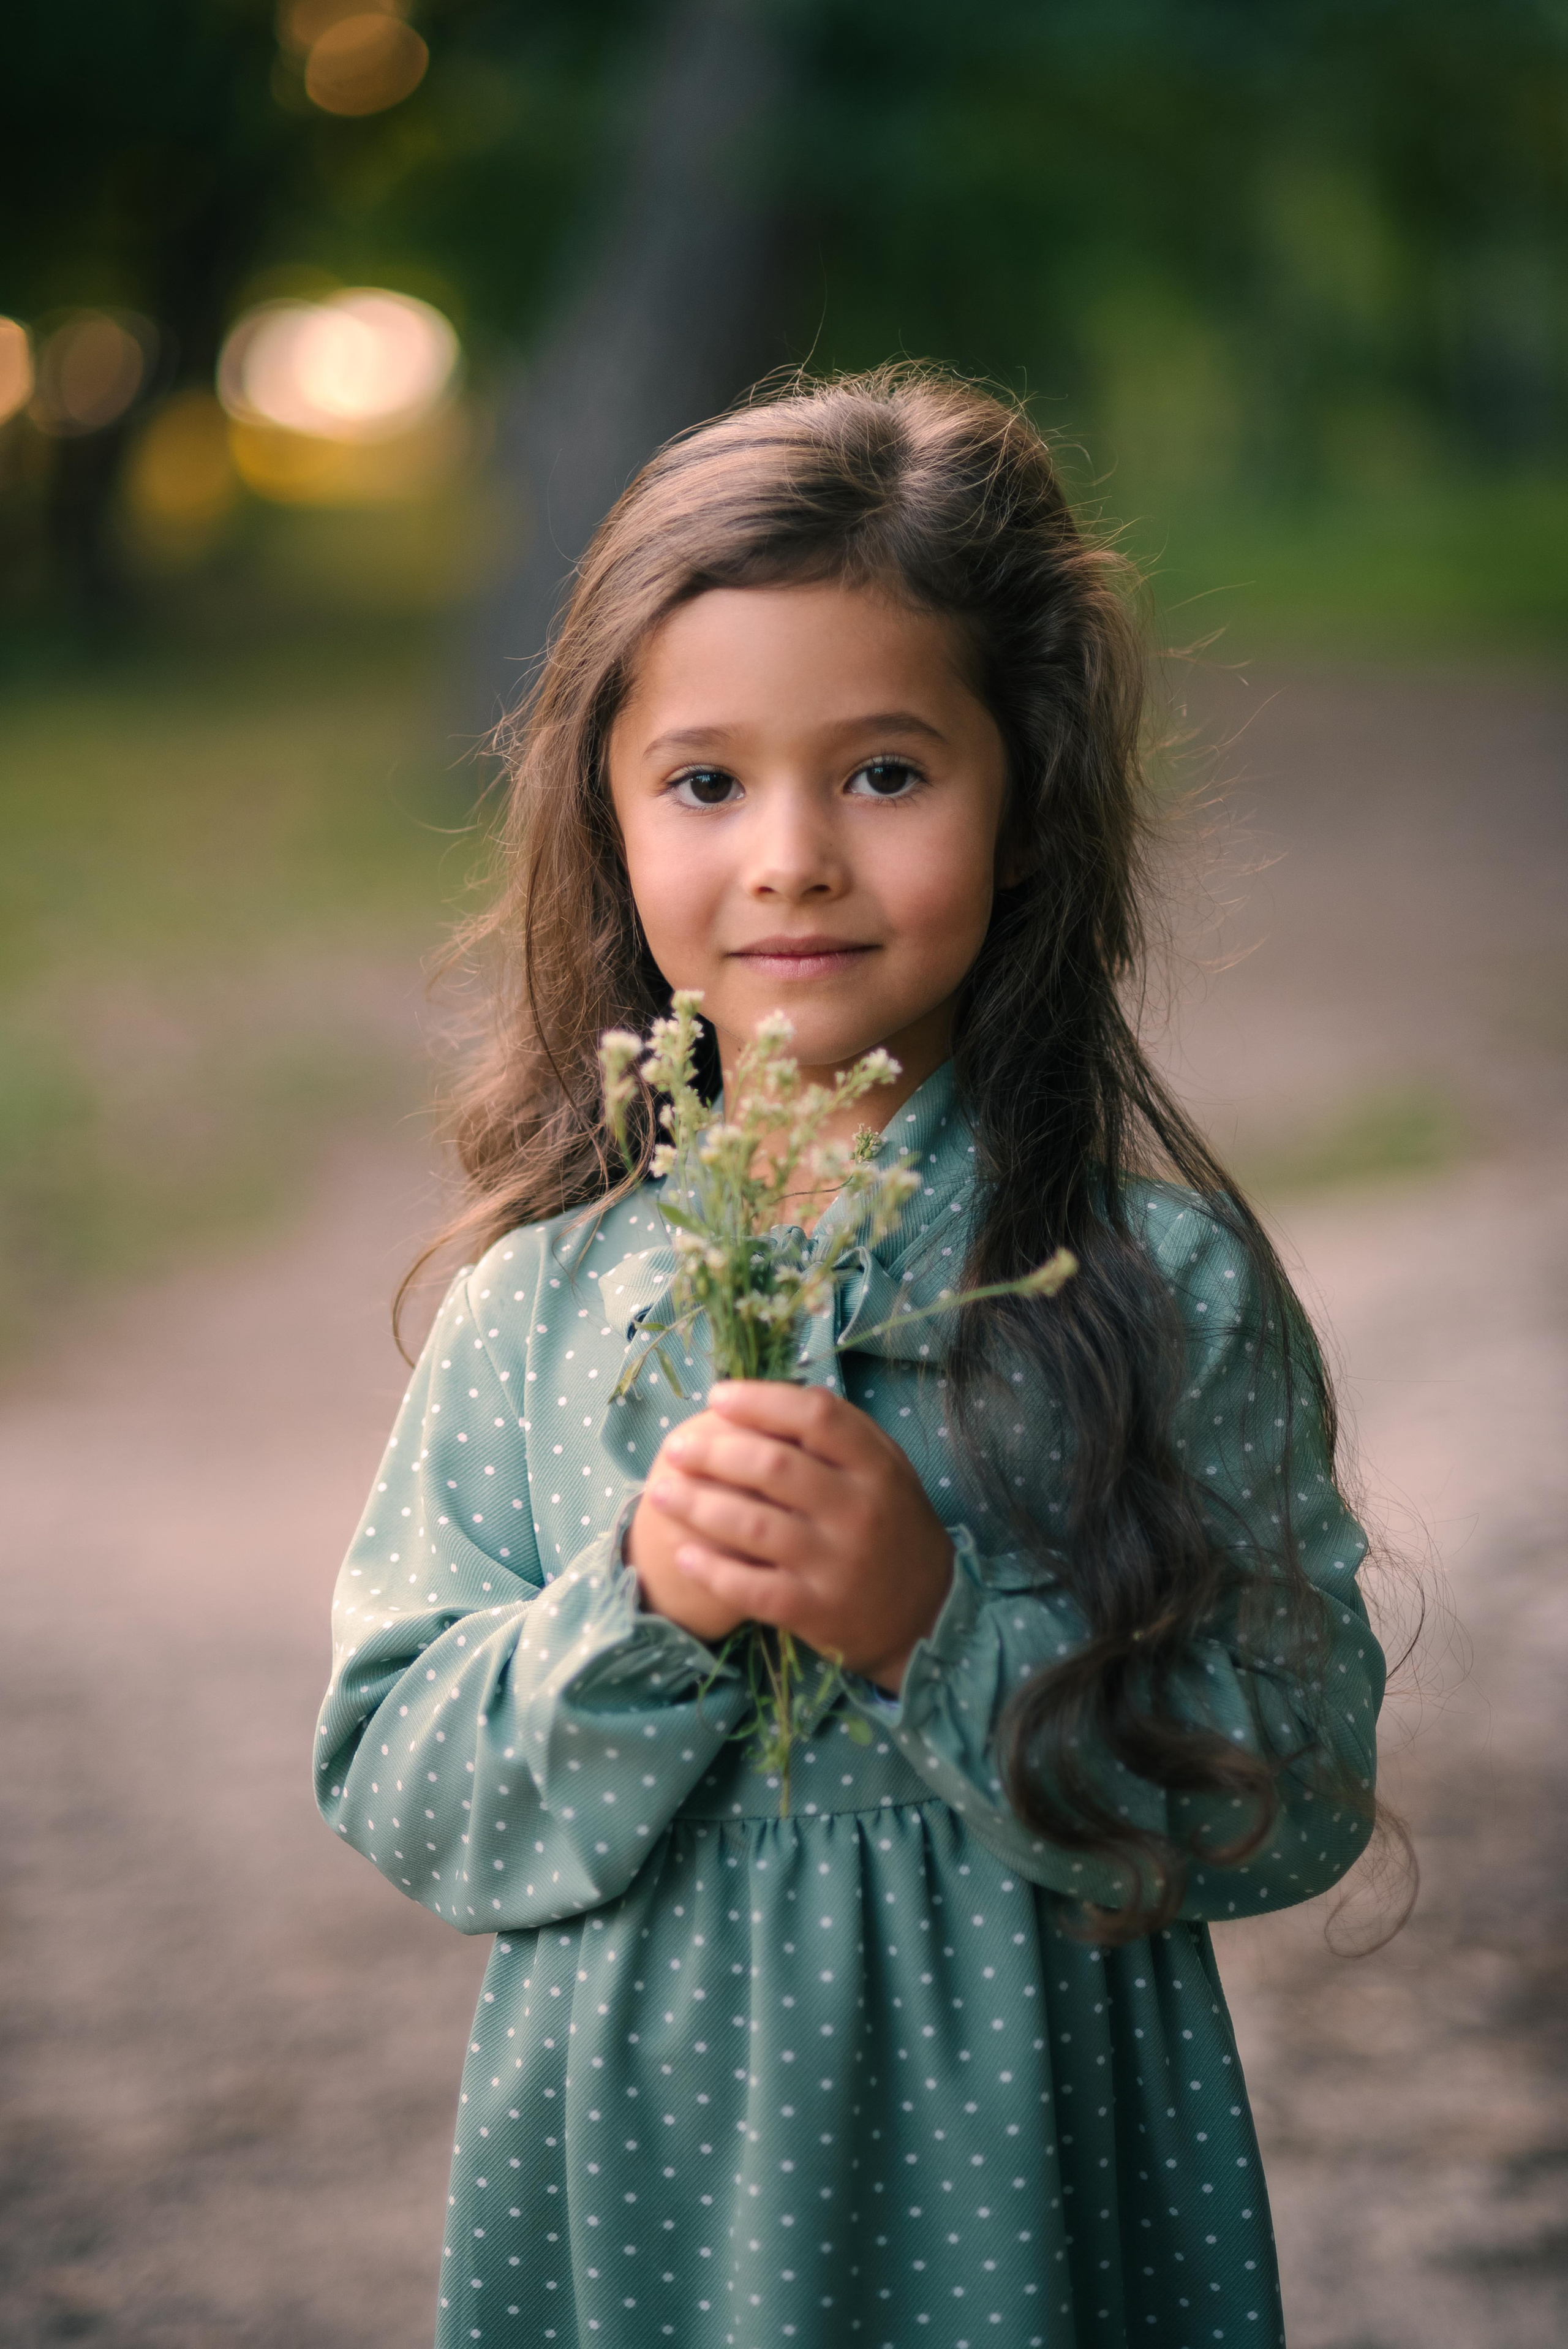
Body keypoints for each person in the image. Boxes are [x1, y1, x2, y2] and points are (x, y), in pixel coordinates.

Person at [315, 366, 1385, 2349]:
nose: (793, 856)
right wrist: (633, 1609)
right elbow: (396, 1776)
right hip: (641, 2211)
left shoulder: (1154, 1283)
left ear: (1029, 792)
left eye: (886, 771)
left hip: (1032, 2222)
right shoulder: (541, 1310)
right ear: (607, 816)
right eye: (706, 782)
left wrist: (943, 1630)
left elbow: (1299, 1792)